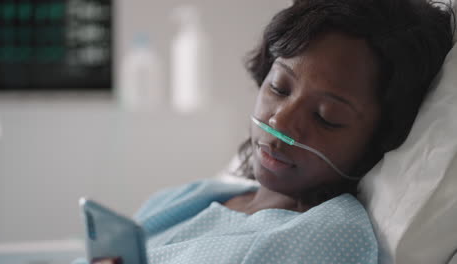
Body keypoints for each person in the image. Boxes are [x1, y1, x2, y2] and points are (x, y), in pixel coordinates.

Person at [75, 0, 454, 263]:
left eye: (326, 117)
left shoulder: (326, 237)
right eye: (279, 88)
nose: (281, 123)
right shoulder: (196, 197)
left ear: (380, 138)